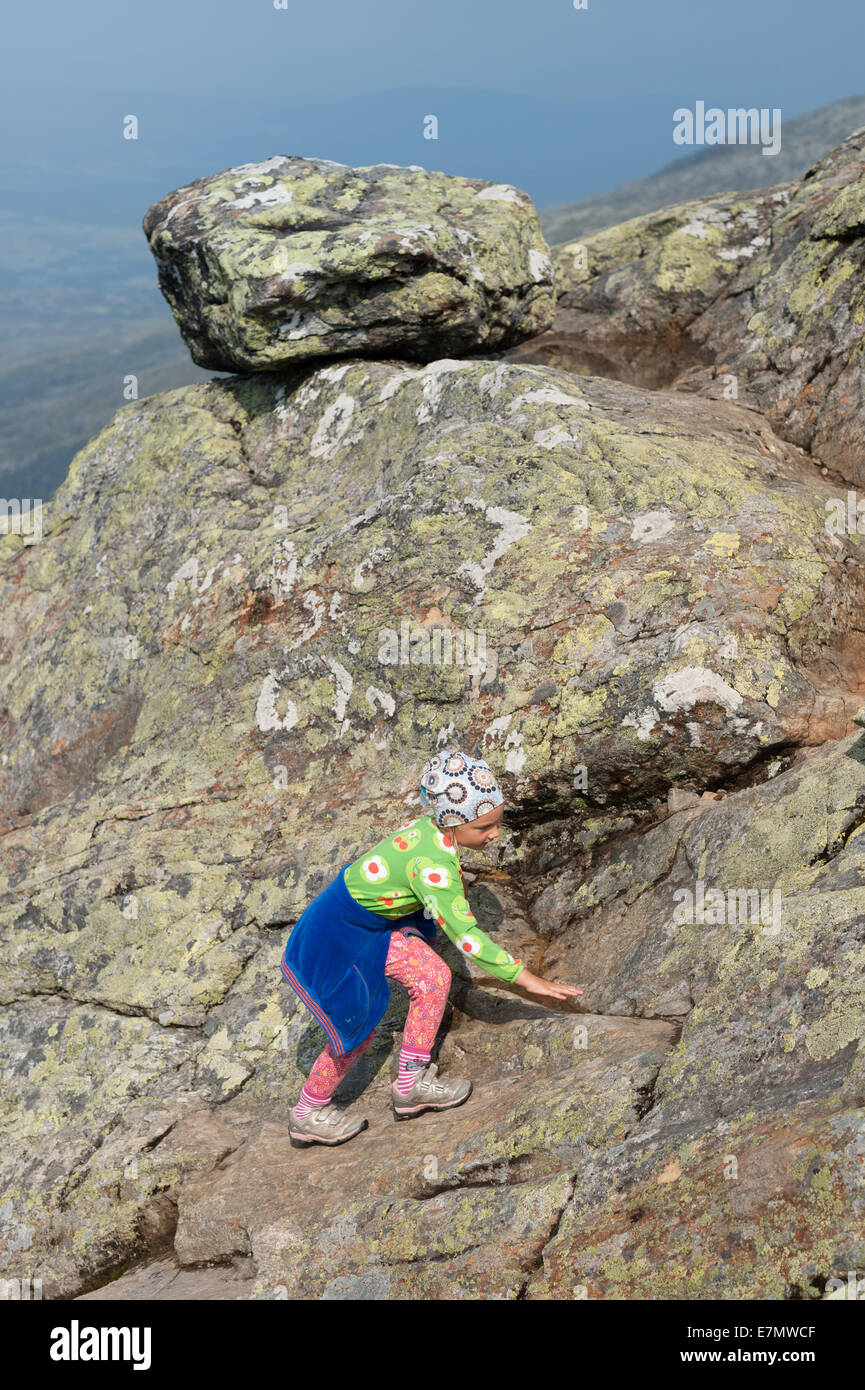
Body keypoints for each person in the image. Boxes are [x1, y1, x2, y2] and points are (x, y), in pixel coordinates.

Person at [281, 749, 583, 1147]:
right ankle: (306, 1113)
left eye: (497, 822)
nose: (494, 834)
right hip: (332, 940)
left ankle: (410, 1084)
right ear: (453, 824)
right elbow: (468, 937)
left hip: (366, 926)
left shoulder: (434, 827)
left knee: (433, 976)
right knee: (356, 1031)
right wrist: (526, 980)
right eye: (484, 827)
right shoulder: (433, 866)